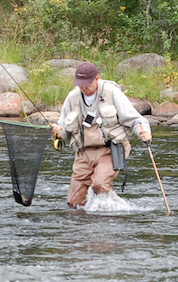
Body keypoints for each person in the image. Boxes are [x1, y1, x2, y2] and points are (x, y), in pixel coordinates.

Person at [50, 62, 152, 208]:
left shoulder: (111, 93)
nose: (83, 88)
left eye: (86, 84)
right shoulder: (72, 97)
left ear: (96, 79)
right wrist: (57, 132)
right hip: (84, 152)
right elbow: (64, 130)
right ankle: (87, 220)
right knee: (74, 202)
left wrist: (144, 132)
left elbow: (136, 121)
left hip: (111, 149)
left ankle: (110, 216)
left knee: (99, 184)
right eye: (80, 84)